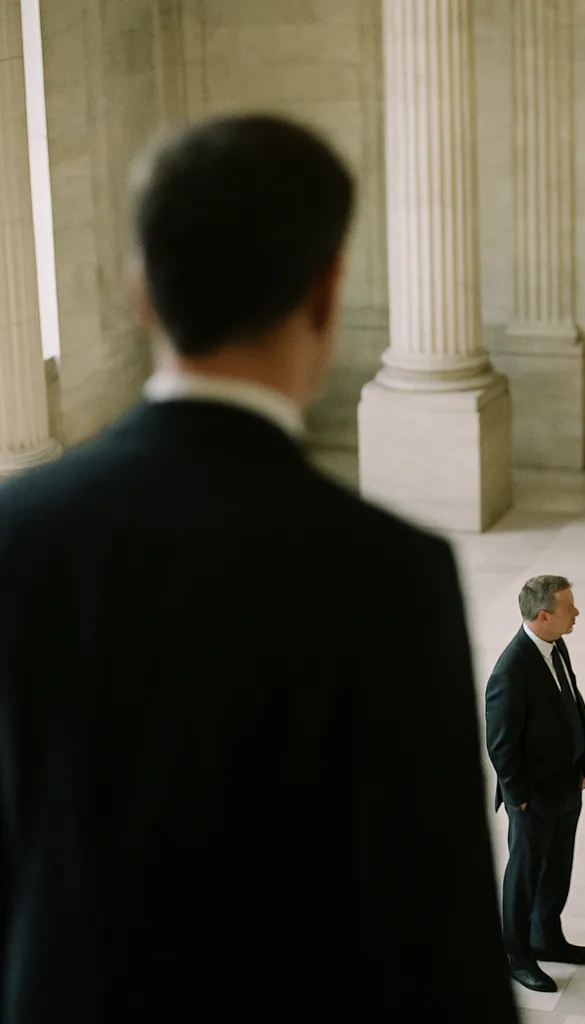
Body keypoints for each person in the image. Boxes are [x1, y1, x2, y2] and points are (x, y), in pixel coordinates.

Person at [0, 116, 516, 1023]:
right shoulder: (390, 574)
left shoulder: (16, 534)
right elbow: (440, 939)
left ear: (140, 292)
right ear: (324, 294)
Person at [485, 575, 585, 992]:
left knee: (557, 869)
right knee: (525, 875)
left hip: (566, 786)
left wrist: (581, 765)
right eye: (568, 607)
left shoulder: (556, 644)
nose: (576, 613)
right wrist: (520, 798)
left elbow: (570, 704)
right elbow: (501, 744)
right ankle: (516, 955)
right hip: (533, 797)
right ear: (544, 616)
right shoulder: (511, 669)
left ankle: (546, 937)